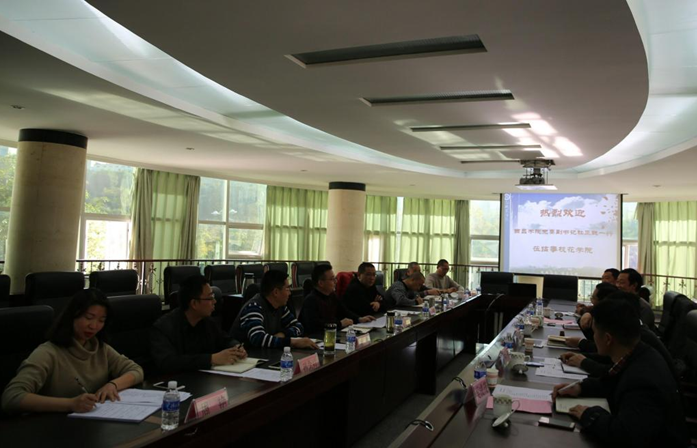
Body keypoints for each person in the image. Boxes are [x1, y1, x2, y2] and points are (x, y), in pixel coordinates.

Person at [553, 299, 688, 448]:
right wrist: (580, 388)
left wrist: (589, 415)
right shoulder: (639, 353)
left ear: (608, 339)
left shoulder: (642, 380)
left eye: (595, 332)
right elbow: (614, 381)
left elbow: (625, 436)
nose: (593, 337)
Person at [2, 289, 143, 415]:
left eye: (101, 320)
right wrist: (70, 404)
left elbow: (136, 370)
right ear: (72, 316)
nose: (94, 326)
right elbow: (11, 397)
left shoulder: (99, 348)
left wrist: (113, 385)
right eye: (88, 318)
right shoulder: (48, 353)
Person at [561, 291, 677, 380]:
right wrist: (582, 357)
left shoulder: (641, 339)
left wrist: (584, 361)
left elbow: (614, 373)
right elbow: (610, 362)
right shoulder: (635, 331)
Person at [150, 275, 247, 374]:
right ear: (194, 303)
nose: (214, 301)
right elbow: (167, 363)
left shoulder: (207, 322)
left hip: (203, 378)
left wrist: (236, 347)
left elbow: (225, 339)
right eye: (210, 298)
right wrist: (211, 359)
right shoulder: (164, 328)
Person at [232, 270, 318, 349]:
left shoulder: (280, 307)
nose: (289, 293)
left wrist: (283, 334)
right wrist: (293, 342)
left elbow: (298, 327)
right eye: (287, 288)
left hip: (267, 354)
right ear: (276, 292)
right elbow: (258, 339)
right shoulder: (253, 307)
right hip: (246, 356)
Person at [300, 264, 375, 334]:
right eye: (332, 279)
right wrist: (340, 324)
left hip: (332, 334)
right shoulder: (311, 300)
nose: (336, 281)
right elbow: (315, 326)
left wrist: (359, 319)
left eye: (335, 278)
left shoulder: (332, 295)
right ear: (321, 283)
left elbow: (344, 311)